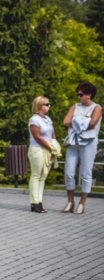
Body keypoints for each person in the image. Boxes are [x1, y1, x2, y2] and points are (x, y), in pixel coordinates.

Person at [62, 81, 101, 215]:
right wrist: (83, 120)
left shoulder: (97, 107)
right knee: (69, 172)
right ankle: (70, 201)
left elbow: (93, 123)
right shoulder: (75, 106)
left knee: (86, 173)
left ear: (89, 95)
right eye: (78, 94)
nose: (78, 97)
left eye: (81, 94)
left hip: (89, 143)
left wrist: (76, 120)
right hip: (74, 143)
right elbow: (65, 121)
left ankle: (82, 203)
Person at [27, 95, 56, 213]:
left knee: (43, 176)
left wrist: (54, 145)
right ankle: (35, 203)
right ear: (40, 106)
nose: (49, 106)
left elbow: (52, 133)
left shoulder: (48, 119)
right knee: (36, 175)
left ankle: (39, 200)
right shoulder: (34, 120)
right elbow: (37, 137)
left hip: (48, 149)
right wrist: (50, 146)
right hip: (37, 149)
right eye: (47, 104)